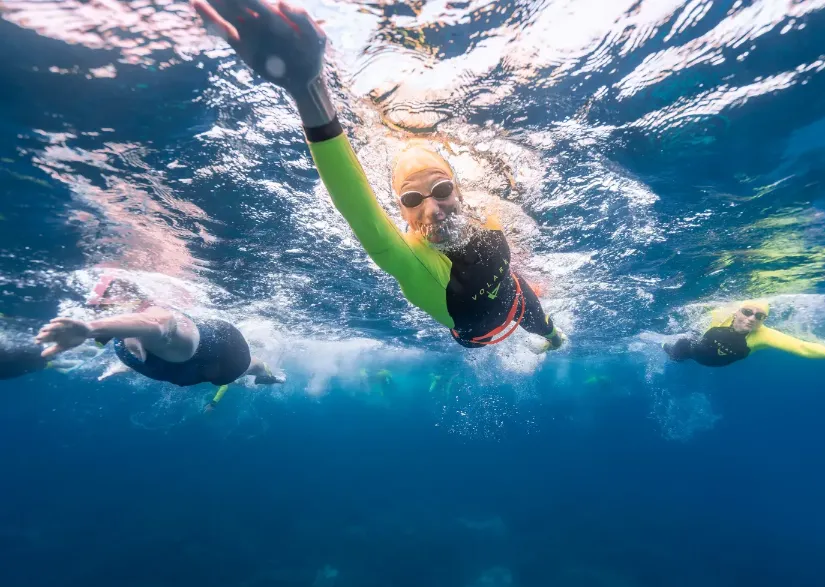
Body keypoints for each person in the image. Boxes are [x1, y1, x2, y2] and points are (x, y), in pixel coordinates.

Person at [191, 0, 565, 352]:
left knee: (549, 330)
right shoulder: (411, 261)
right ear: (400, 212)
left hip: (517, 296)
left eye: (441, 189)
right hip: (480, 335)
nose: (432, 208)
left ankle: (552, 338)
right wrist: (308, 89)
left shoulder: (484, 213)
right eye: (412, 199)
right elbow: (358, 209)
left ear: (459, 189)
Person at [34, 276, 284, 409]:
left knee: (247, 367)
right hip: (187, 369)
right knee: (237, 374)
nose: (99, 309)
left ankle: (270, 375)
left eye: (104, 304)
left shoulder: (156, 317)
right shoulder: (119, 332)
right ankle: (265, 374)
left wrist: (90, 328)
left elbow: (160, 325)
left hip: (225, 350)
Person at [663, 299, 825, 374]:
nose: (752, 318)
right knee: (679, 348)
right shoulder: (719, 314)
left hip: (715, 363)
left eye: (759, 316)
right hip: (694, 349)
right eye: (747, 311)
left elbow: (800, 347)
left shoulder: (764, 335)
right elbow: (688, 315)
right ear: (737, 311)